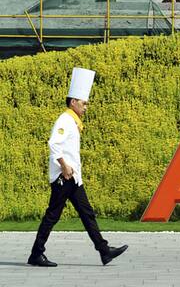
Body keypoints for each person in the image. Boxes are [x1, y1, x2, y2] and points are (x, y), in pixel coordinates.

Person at [28, 67, 128, 267]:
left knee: (86, 213)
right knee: (53, 215)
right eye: (84, 103)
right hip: (64, 177)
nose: (86, 107)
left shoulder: (73, 122)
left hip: (73, 178)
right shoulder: (65, 120)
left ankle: (104, 251)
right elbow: (53, 143)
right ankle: (36, 254)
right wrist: (64, 166)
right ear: (73, 102)